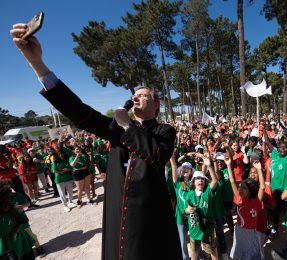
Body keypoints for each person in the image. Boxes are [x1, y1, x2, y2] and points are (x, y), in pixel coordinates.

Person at [11, 24, 181, 259]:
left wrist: (127, 125)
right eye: (134, 95)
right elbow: (81, 112)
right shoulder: (116, 129)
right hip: (116, 212)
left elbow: (156, 156)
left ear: (156, 103)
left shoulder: (165, 130)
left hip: (148, 219)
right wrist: (37, 65)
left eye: (142, 95)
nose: (135, 98)